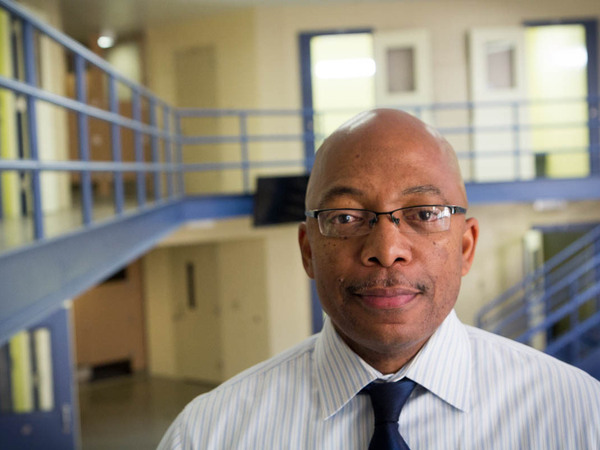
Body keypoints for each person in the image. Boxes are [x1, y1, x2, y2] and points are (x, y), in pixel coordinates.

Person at [158, 109, 600, 449]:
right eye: (346, 217)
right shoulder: (208, 434)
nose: (387, 249)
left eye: (425, 214)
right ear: (308, 250)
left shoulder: (580, 415)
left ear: (466, 246)